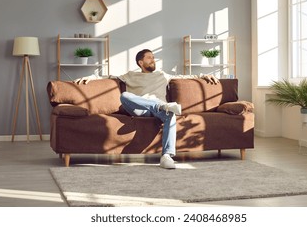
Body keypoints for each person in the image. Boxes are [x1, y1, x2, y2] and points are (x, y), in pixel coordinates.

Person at [75, 49, 219, 169]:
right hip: (141, 110)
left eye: (154, 57)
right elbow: (107, 77)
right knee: (125, 96)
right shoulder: (130, 75)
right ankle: (160, 105)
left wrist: (203, 75)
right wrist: (90, 77)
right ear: (141, 62)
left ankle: (166, 156)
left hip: (160, 111)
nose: (153, 60)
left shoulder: (162, 75)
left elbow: (185, 76)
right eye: (149, 58)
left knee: (170, 114)